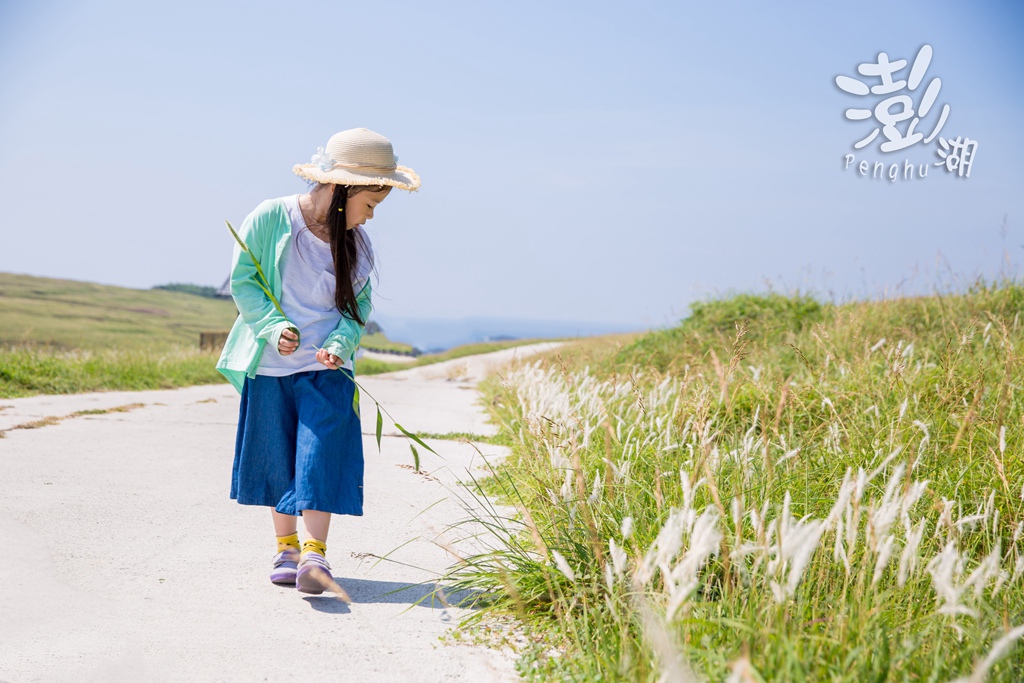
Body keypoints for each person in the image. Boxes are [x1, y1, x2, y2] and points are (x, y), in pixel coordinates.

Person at [216, 128, 420, 594]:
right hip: (270, 368)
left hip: (327, 372)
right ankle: (285, 548)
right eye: (369, 204)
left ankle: (315, 555)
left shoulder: (359, 246)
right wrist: (271, 327)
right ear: (342, 188)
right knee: (277, 456)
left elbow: (356, 311)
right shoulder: (272, 218)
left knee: (319, 455)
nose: (369, 219)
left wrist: (341, 344)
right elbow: (245, 282)